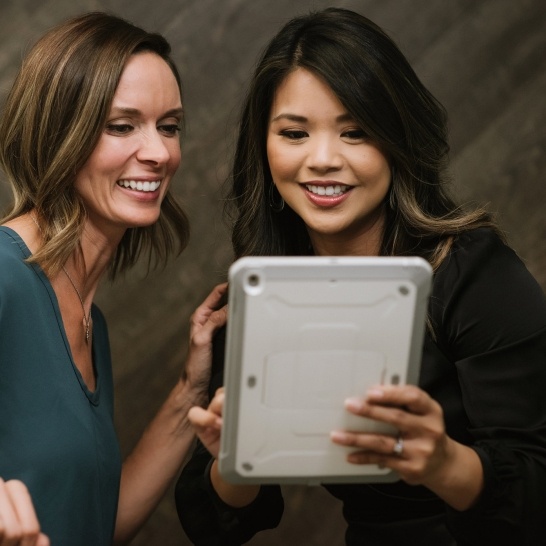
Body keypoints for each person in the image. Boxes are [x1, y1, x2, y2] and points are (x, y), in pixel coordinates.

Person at [174, 7, 546, 546]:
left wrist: (445, 463)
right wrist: (235, 457)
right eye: (295, 133)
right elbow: (211, 523)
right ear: (264, 144)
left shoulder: (469, 270)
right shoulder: (267, 296)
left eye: (355, 132)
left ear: (396, 141)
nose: (323, 159)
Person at [0, 12, 227, 546]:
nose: (158, 152)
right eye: (121, 126)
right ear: (60, 133)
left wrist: (189, 391)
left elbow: (98, 523)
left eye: (169, 126)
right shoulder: (5, 278)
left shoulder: (90, 323)